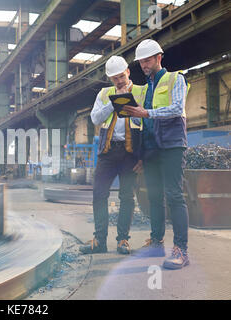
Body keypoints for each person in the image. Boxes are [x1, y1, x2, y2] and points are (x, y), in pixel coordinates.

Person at [123, 39, 190, 269]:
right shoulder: (144, 89)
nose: (144, 64)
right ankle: (156, 242)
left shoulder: (175, 79)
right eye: (141, 61)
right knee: (154, 196)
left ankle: (181, 250)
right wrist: (130, 112)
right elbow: (140, 119)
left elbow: (177, 108)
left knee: (174, 195)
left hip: (172, 145)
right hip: (151, 148)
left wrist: (146, 113)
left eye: (148, 59)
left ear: (159, 58)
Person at [80, 56, 145, 255]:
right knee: (99, 194)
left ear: (128, 72)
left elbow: (150, 123)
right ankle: (99, 241)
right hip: (108, 152)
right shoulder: (104, 93)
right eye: (114, 78)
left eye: (121, 76)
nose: (119, 81)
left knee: (127, 197)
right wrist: (114, 103)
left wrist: (144, 156)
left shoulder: (142, 92)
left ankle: (123, 240)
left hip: (130, 153)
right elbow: (95, 118)